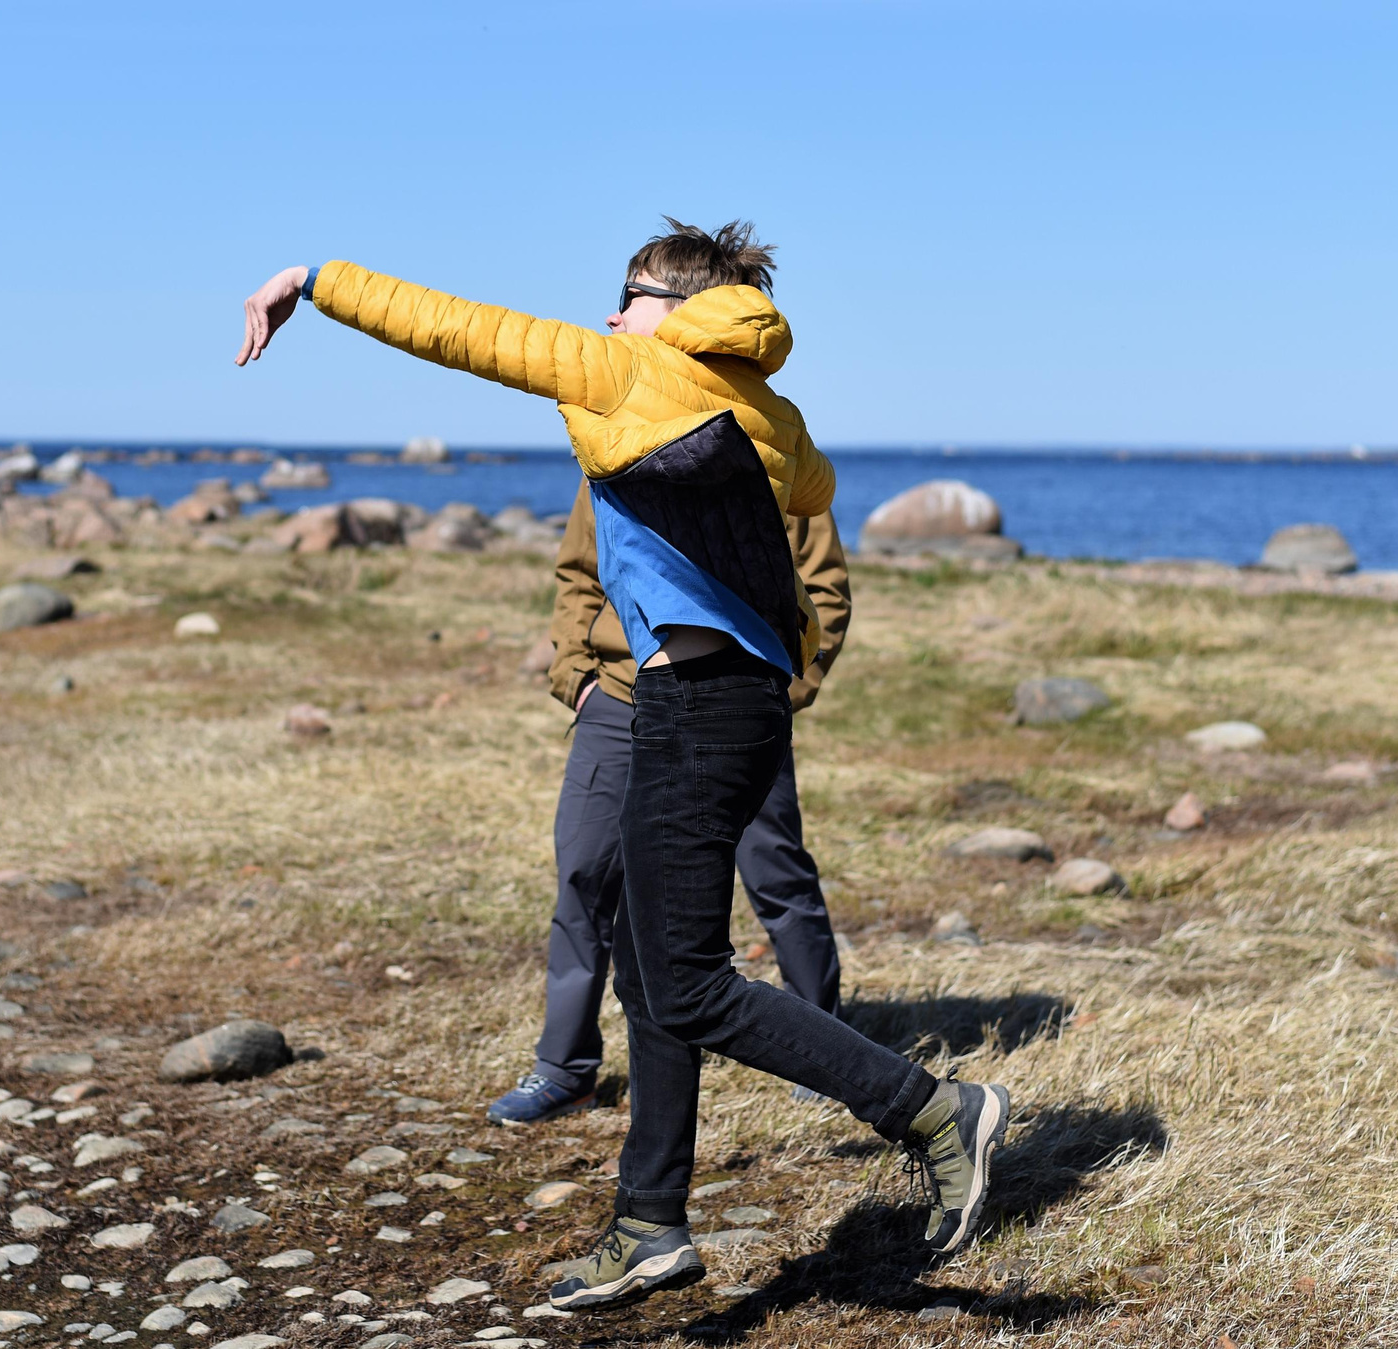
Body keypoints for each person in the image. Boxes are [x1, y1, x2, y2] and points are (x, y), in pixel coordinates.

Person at [236, 220, 1012, 1311]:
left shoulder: (623, 368)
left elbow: (454, 328)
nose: (608, 310)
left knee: (687, 980)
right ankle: (649, 1220)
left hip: (696, 704)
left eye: (629, 291)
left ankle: (932, 1108)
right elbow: (811, 485)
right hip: (715, 701)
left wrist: (311, 281)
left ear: (674, 303)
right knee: (651, 972)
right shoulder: (762, 404)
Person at [484, 479, 850, 1127]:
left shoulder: (769, 439)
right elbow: (579, 571)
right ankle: (565, 1069)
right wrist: (578, 678)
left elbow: (823, 587)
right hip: (621, 702)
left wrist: (780, 689)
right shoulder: (612, 444)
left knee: (775, 870)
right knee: (584, 875)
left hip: (738, 703)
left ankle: (825, 1052)